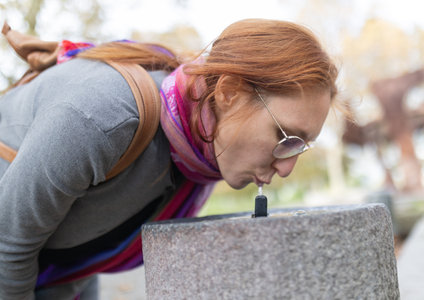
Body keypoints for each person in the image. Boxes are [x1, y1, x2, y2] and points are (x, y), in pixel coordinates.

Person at [0, 18, 338, 299]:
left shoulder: (196, 163)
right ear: (229, 92)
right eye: (285, 136)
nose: (288, 167)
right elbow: (7, 247)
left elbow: (80, 251)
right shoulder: (104, 116)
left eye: (301, 145)